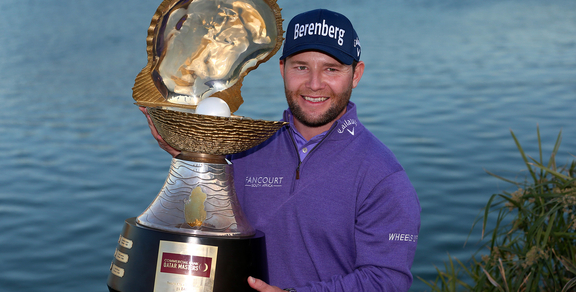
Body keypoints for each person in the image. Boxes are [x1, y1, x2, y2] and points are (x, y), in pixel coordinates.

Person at [141, 8, 421, 292]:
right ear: (282, 69)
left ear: (356, 74)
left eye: (331, 69)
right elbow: (211, 215)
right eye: (301, 67)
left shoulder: (383, 176)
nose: (314, 84)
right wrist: (192, 159)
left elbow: (388, 280)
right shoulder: (245, 151)